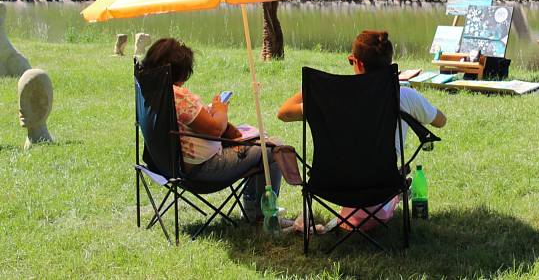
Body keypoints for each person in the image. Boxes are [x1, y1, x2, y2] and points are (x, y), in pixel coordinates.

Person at [277, 30, 447, 231]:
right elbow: (440, 121)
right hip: (383, 182)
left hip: (333, 183)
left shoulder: (332, 100)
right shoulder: (404, 96)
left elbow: (284, 112)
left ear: (358, 64)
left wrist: (317, 89)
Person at [141, 38, 283, 220]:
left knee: (254, 139)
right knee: (274, 147)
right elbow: (215, 129)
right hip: (202, 171)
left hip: (165, 166)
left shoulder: (150, 90)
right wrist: (220, 109)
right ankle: (262, 214)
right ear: (181, 71)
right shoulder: (178, 96)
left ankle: (253, 209)